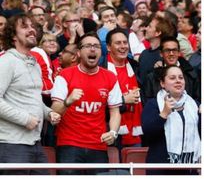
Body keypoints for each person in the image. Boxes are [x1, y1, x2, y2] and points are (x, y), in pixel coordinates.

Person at [51, 32, 122, 175]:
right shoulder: (65, 75)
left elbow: (115, 112)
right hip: (69, 144)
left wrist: (113, 132)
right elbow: (54, 111)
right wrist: (68, 101)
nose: (92, 49)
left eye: (96, 46)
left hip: (98, 145)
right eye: (88, 46)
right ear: (78, 52)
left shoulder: (110, 77)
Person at [0, 13, 61, 175]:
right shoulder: (6, 62)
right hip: (11, 145)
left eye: (32, 26)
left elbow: (32, 98)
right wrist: (25, 119)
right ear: (13, 36)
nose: (32, 30)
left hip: (35, 143)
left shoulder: (33, 63)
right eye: (25, 27)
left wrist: (48, 113)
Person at [142, 65, 201, 175]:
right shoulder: (153, 104)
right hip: (161, 168)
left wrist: (202, 115)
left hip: (189, 168)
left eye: (181, 77)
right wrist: (164, 113)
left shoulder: (194, 105)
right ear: (162, 83)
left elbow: (202, 135)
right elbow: (148, 132)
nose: (178, 81)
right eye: (172, 78)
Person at [104, 29, 143, 150]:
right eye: (118, 43)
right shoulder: (101, 68)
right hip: (111, 133)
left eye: (125, 43)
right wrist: (123, 100)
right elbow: (96, 101)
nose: (123, 46)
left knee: (135, 168)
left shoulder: (136, 66)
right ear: (109, 47)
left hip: (136, 132)